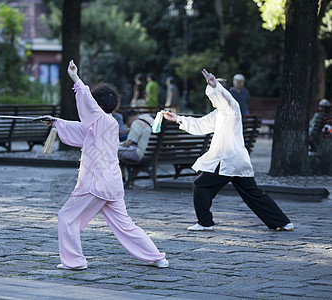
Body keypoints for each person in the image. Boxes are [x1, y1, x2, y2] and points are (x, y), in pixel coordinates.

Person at [44, 60, 168, 270]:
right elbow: (81, 129)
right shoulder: (103, 124)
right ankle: (156, 257)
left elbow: (88, 107)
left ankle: (74, 262)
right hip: (111, 184)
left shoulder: (102, 121)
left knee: (67, 217)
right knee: (126, 226)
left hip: (95, 184)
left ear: (97, 105)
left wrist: (75, 78)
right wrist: (55, 121)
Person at [163, 69, 294, 232]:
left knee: (200, 185)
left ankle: (205, 223)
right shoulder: (219, 114)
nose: (211, 96)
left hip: (227, 161)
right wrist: (177, 119)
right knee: (253, 194)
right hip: (234, 162)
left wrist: (215, 85)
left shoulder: (232, 108)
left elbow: (225, 99)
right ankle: (283, 222)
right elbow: (200, 125)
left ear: (221, 92)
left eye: (214, 92)